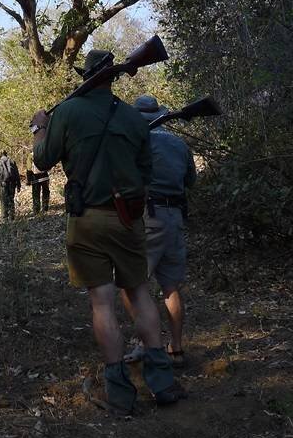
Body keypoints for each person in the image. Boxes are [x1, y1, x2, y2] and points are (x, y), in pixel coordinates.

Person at [30, 50, 184, 414]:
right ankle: (162, 383)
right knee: (140, 294)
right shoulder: (132, 117)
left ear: (86, 77)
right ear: (113, 77)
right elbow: (146, 172)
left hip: (87, 221)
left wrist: (39, 128)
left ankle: (119, 393)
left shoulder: (66, 113)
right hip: (130, 219)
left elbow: (41, 161)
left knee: (102, 302)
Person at [131, 94, 197, 368]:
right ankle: (177, 349)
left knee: (135, 285)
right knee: (171, 286)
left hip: (150, 215)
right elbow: (190, 180)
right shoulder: (179, 143)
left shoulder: (137, 143)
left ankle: (148, 346)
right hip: (175, 216)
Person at [0, 150, 21, 221]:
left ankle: (4, 218)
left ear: (0, 155)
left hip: (3, 185)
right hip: (12, 184)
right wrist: (18, 185)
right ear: (6, 154)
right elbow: (17, 174)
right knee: (11, 200)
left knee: (3, 201)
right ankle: (12, 217)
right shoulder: (12, 161)